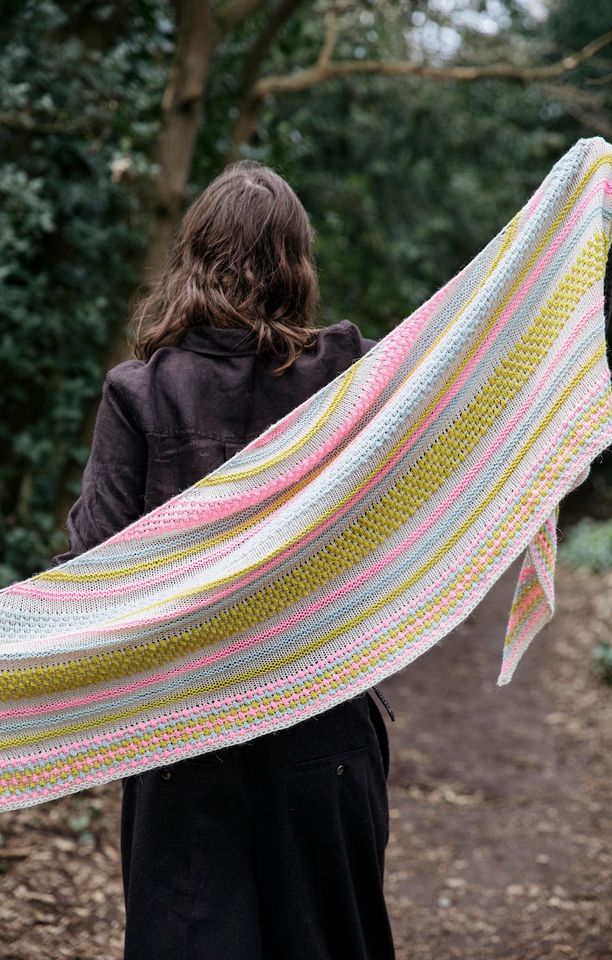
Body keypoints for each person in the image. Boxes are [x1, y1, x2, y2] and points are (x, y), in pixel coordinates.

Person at [52, 159, 396, 960]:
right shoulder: (354, 376)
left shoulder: (140, 394)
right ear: (297, 264)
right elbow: (472, 388)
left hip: (184, 744)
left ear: (193, 258)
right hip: (325, 726)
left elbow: (94, 567)